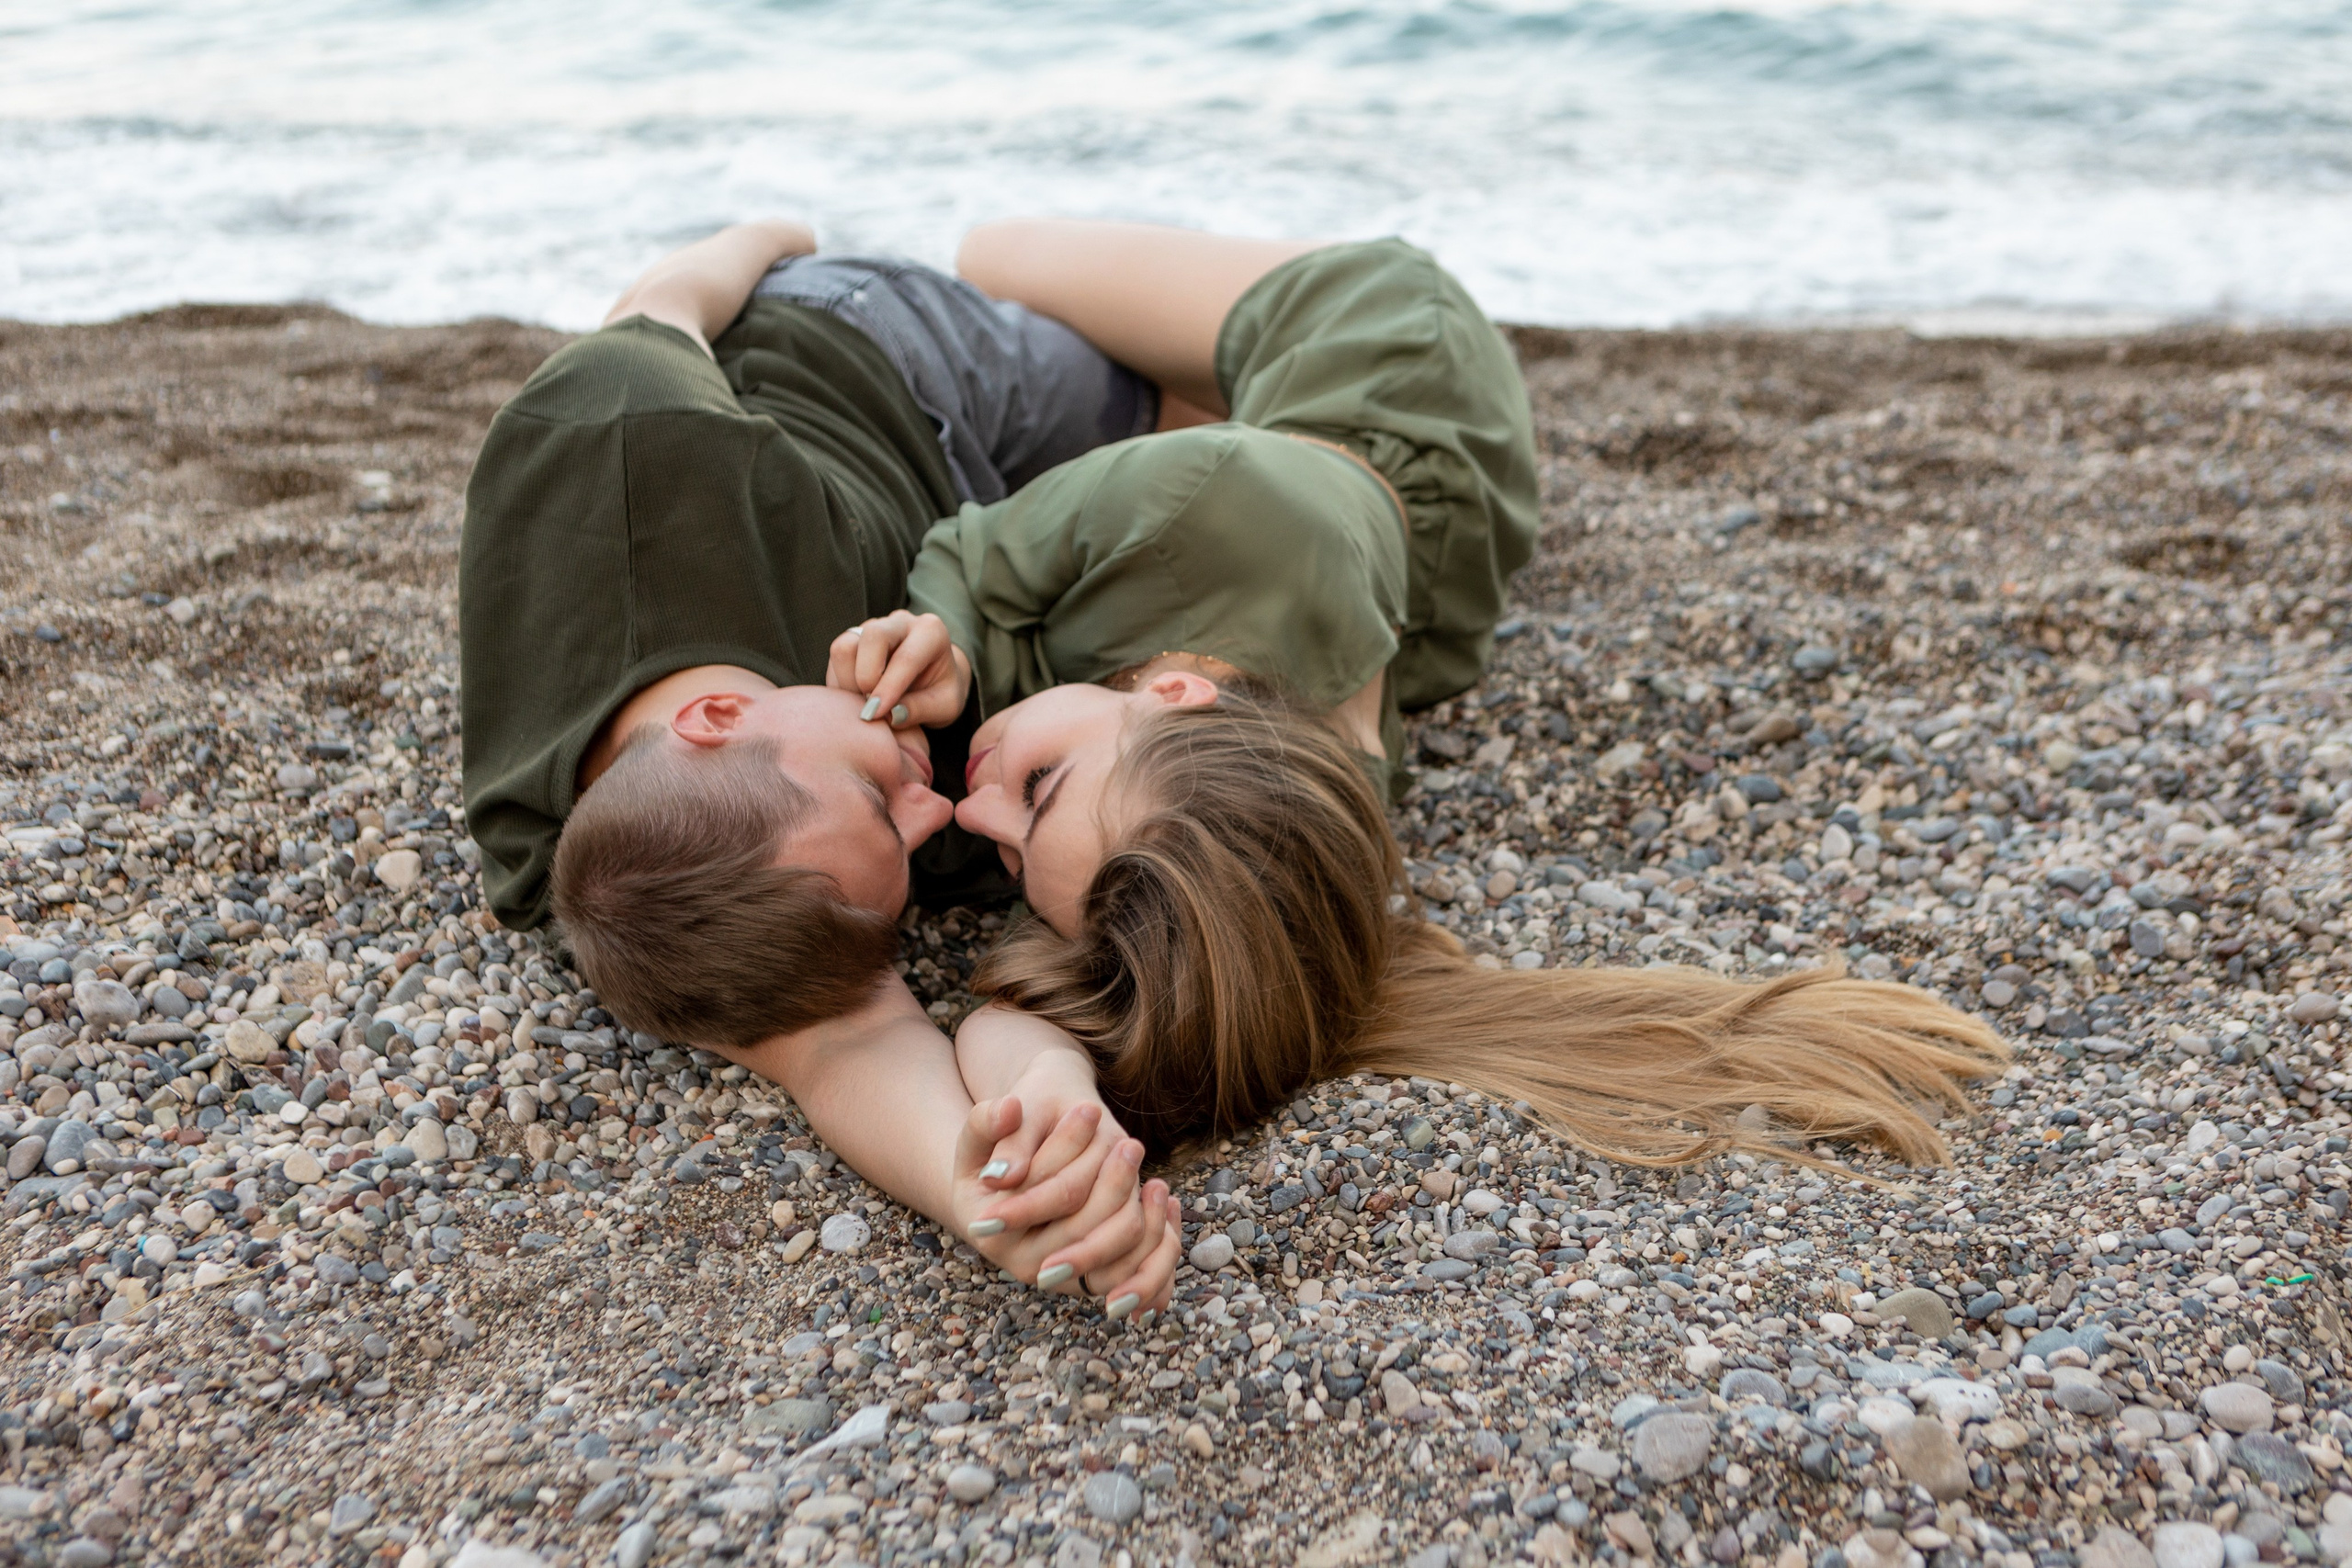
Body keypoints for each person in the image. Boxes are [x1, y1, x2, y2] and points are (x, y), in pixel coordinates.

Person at [831, 220, 2008, 1176]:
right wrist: (957, 651)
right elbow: (971, 556)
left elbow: (1059, 1003)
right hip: (1388, 366)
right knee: (994, 250)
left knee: (1095, 354)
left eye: (1017, 836)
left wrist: (1058, 1080)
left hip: (1372, 562)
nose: (972, 809)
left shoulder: (1265, 837)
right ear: (1177, 692)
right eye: (1036, 791)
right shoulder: (1207, 493)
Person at [459, 220, 1180, 1315]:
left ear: (715, 717)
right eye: (908, 837)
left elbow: (667, 302)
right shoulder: (672, 897)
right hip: (974, 533)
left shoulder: (620, 441)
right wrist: (991, 1196)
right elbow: (841, 1046)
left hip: (874, 360)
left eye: (876, 798)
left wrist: (765, 233)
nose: (935, 804)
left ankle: (1003, 249)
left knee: (1171, 403)